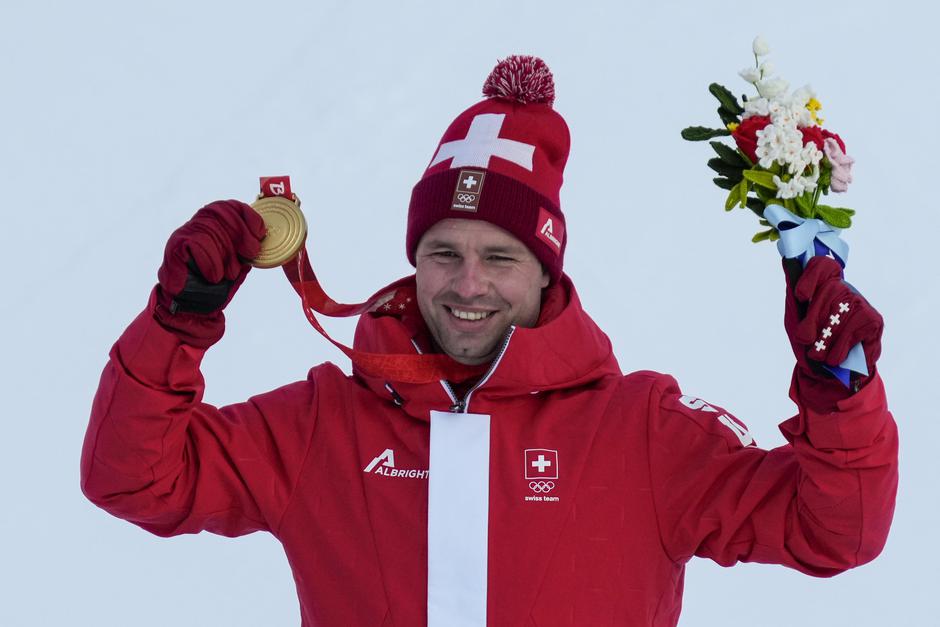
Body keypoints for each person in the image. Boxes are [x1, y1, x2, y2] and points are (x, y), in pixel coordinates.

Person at [80, 56, 897, 627]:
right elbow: (133, 479)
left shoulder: (639, 430)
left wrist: (841, 393)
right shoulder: (323, 424)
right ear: (415, 263)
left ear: (547, 273)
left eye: (500, 257)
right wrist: (176, 324)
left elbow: (836, 530)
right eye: (444, 253)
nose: (467, 284)